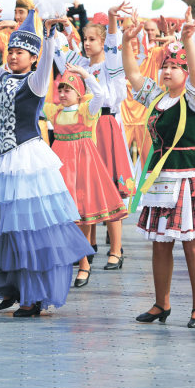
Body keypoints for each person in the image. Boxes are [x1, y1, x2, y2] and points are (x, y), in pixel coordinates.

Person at [0, 6, 93, 317]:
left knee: (28, 229)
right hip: (0, 160)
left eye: (21, 52)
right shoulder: (1, 76)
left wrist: (48, 35)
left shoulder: (35, 83)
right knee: (1, 228)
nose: (13, 56)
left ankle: (31, 295)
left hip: (27, 160)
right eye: (11, 51)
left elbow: (48, 61)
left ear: (33, 58)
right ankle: (12, 286)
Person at [124, 16, 195, 327]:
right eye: (166, 66)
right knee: (160, 244)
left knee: (194, 244)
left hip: (190, 180)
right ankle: (162, 304)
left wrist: (189, 39)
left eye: (175, 67)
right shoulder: (157, 97)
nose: (168, 71)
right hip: (162, 181)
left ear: (185, 72)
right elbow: (132, 73)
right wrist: (127, 41)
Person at [53, 2, 134, 269]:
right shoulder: (81, 63)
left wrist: (111, 21)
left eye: (92, 39)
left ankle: (117, 249)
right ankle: (89, 245)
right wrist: (53, 26)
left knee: (110, 186)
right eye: (85, 39)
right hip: (86, 129)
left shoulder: (112, 66)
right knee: (87, 187)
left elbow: (113, 44)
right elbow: (60, 53)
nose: (87, 44)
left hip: (107, 125)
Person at [43, 64, 127, 288]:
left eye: (67, 90)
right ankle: (70, 259)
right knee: (64, 216)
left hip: (83, 164)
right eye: (60, 90)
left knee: (82, 214)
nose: (62, 94)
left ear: (79, 93)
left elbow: (99, 94)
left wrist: (85, 75)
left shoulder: (86, 110)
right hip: (60, 164)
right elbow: (38, 94)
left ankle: (84, 264)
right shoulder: (55, 111)